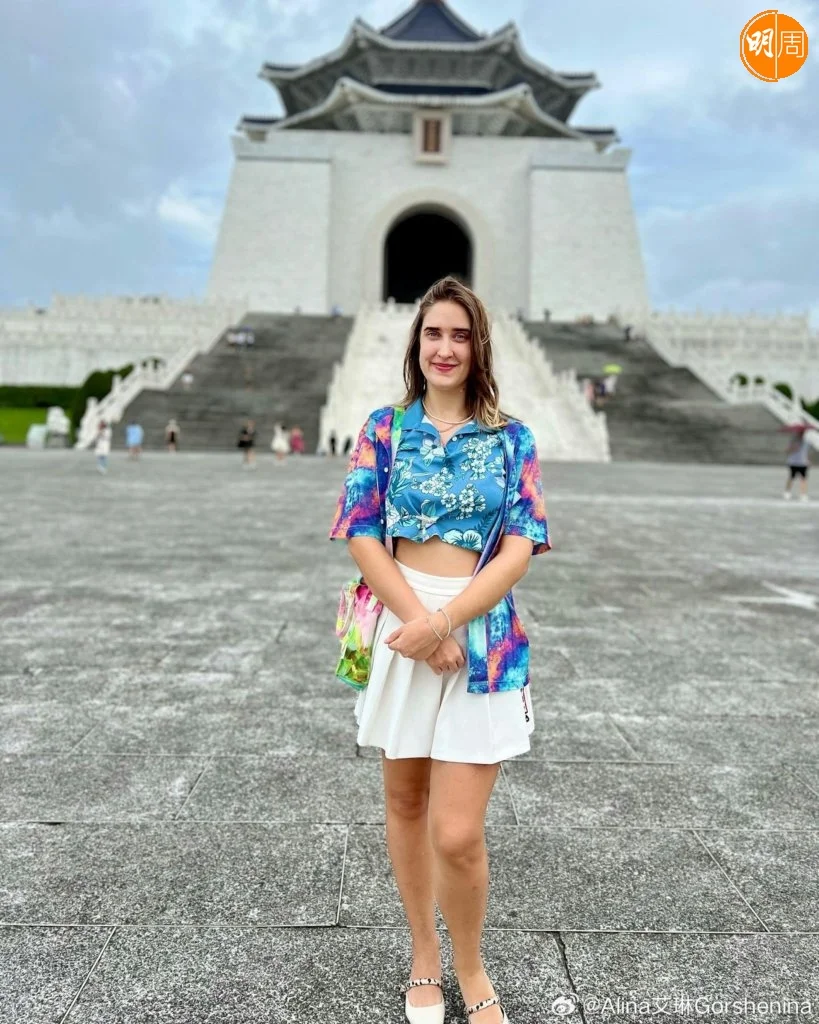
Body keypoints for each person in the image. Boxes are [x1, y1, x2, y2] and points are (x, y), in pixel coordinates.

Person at [329, 277, 551, 1024]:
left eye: (459, 335)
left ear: (478, 347)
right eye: (433, 334)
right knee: (404, 801)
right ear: (415, 344)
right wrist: (417, 624)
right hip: (403, 624)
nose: (445, 348)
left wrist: (446, 621)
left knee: (457, 833)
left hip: (480, 635)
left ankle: (471, 965)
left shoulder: (512, 438)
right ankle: (423, 954)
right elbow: (361, 530)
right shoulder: (384, 428)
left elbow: (519, 547)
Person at [784, 427, 811, 501]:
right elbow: (787, 450)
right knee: (792, 477)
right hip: (794, 462)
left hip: (803, 463)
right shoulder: (793, 441)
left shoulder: (806, 442)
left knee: (803, 479)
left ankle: (803, 494)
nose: (802, 434)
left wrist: (808, 460)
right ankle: (787, 492)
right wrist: (793, 448)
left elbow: (806, 452)